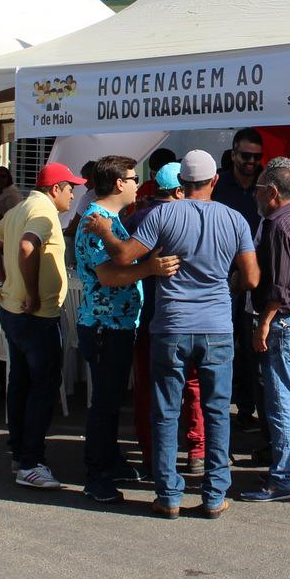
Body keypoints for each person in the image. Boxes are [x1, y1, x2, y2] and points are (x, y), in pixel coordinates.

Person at [88, 149, 258, 520]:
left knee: (165, 411)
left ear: (181, 184)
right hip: (217, 328)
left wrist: (105, 231)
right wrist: (226, 288)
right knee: (216, 411)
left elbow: (123, 256)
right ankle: (214, 496)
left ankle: (168, 496)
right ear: (215, 181)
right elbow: (252, 277)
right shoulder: (235, 219)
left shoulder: (164, 214)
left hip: (171, 326)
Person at [74, 155, 179, 504]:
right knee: (104, 403)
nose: (138, 184)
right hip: (104, 325)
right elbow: (107, 275)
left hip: (118, 324)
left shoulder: (110, 220)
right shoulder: (95, 222)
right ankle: (96, 474)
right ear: (119, 183)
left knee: (113, 398)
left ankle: (111, 461)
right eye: (134, 178)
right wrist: (149, 268)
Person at [0, 161, 84, 491]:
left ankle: (20, 451)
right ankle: (31, 463)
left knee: (21, 382)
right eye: (70, 188)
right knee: (42, 387)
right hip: (35, 315)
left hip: (16, 311)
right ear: (55, 189)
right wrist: (32, 292)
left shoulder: (21, 207)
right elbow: (27, 246)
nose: (73, 193)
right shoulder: (43, 211)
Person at [240, 157, 290, 502]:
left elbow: (281, 287)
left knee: (281, 402)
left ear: (272, 191)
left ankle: (283, 477)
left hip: (285, 321)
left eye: (259, 188)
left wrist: (264, 323)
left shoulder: (280, 225)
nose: (254, 194)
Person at [126, 163, 207, 481]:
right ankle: (197, 451)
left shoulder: (136, 218)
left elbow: (119, 258)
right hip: (189, 316)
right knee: (192, 384)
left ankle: (152, 453)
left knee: (149, 386)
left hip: (147, 316)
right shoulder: (195, 219)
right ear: (178, 191)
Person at [212, 127, 264, 430]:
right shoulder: (218, 184)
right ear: (233, 154)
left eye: (257, 157)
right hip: (220, 276)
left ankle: (246, 408)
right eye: (246, 155)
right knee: (220, 346)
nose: (251, 161)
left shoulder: (264, 186)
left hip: (254, 277)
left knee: (250, 345)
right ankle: (218, 409)